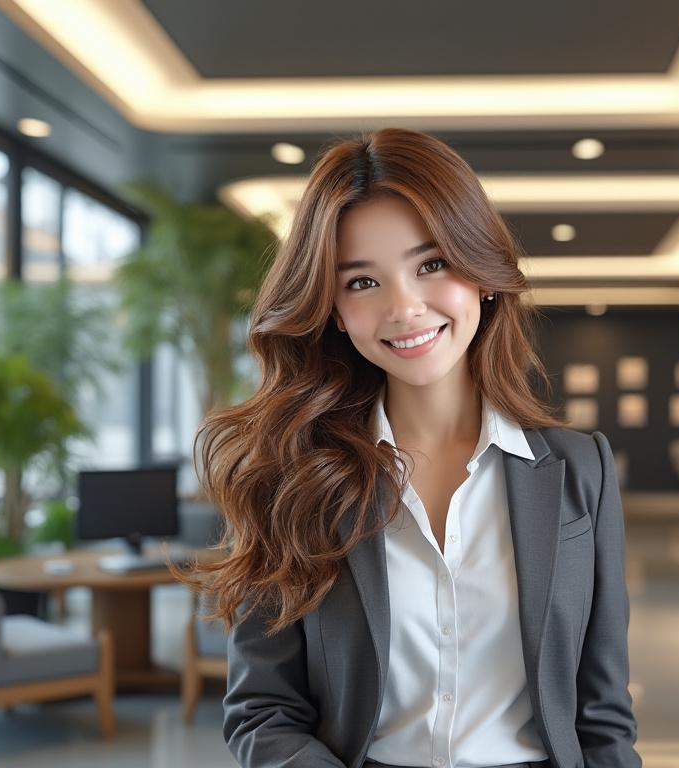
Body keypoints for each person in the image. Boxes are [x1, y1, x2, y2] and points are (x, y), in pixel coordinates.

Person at [180, 127, 641, 768]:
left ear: (481, 273)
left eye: (430, 265)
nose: (404, 308)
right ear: (333, 309)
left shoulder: (580, 469)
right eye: (361, 283)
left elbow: (602, 716)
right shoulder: (290, 474)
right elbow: (263, 712)